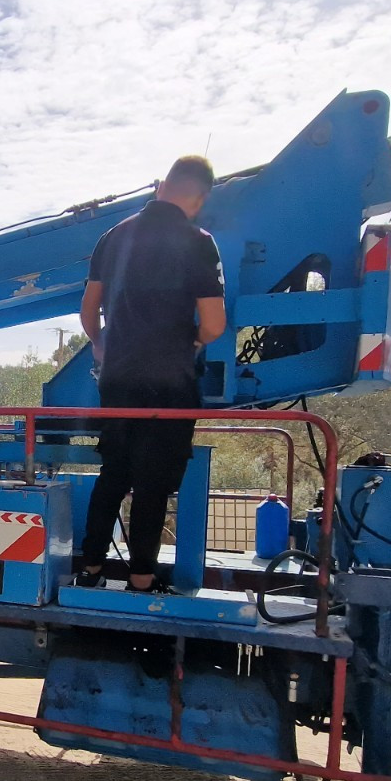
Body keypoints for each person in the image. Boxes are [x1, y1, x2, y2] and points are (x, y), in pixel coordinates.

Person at [77, 156, 226, 593]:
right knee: (153, 483)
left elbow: (89, 310)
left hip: (118, 379)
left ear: (162, 185)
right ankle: (141, 578)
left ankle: (90, 571)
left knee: (113, 474)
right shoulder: (199, 241)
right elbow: (214, 325)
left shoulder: (114, 236)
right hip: (170, 383)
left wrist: (104, 347)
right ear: (199, 199)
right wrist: (192, 343)